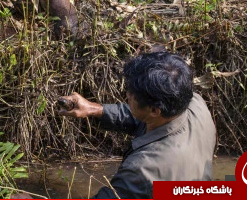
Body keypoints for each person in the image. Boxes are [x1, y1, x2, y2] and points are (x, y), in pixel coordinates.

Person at [58, 51, 217, 199]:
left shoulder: (144, 169)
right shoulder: (194, 103)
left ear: (155, 110)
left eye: (132, 95)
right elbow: (142, 116)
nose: (127, 94)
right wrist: (94, 109)